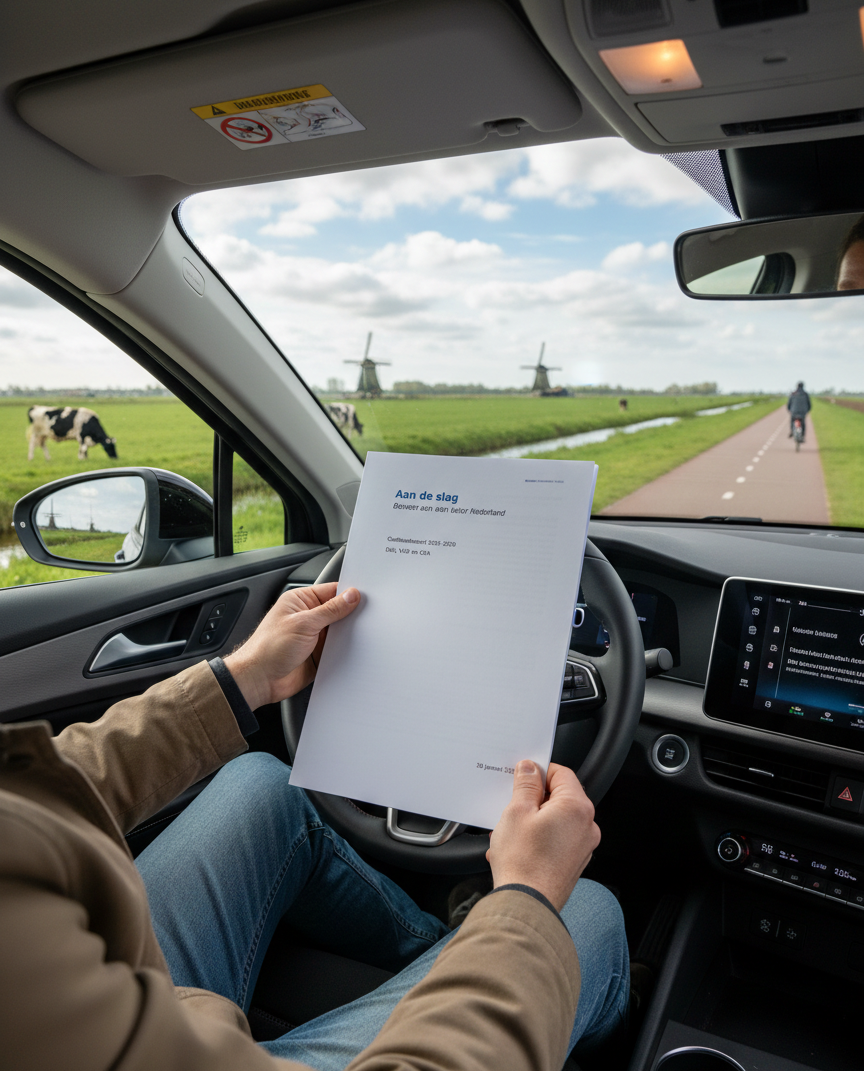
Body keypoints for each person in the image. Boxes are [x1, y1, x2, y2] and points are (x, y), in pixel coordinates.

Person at [0, 582, 629, 1071]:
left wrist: (243, 678)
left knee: (261, 782)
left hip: (83, 982)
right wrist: (527, 897)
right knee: (582, 912)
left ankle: (444, 943)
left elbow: (23, 797)